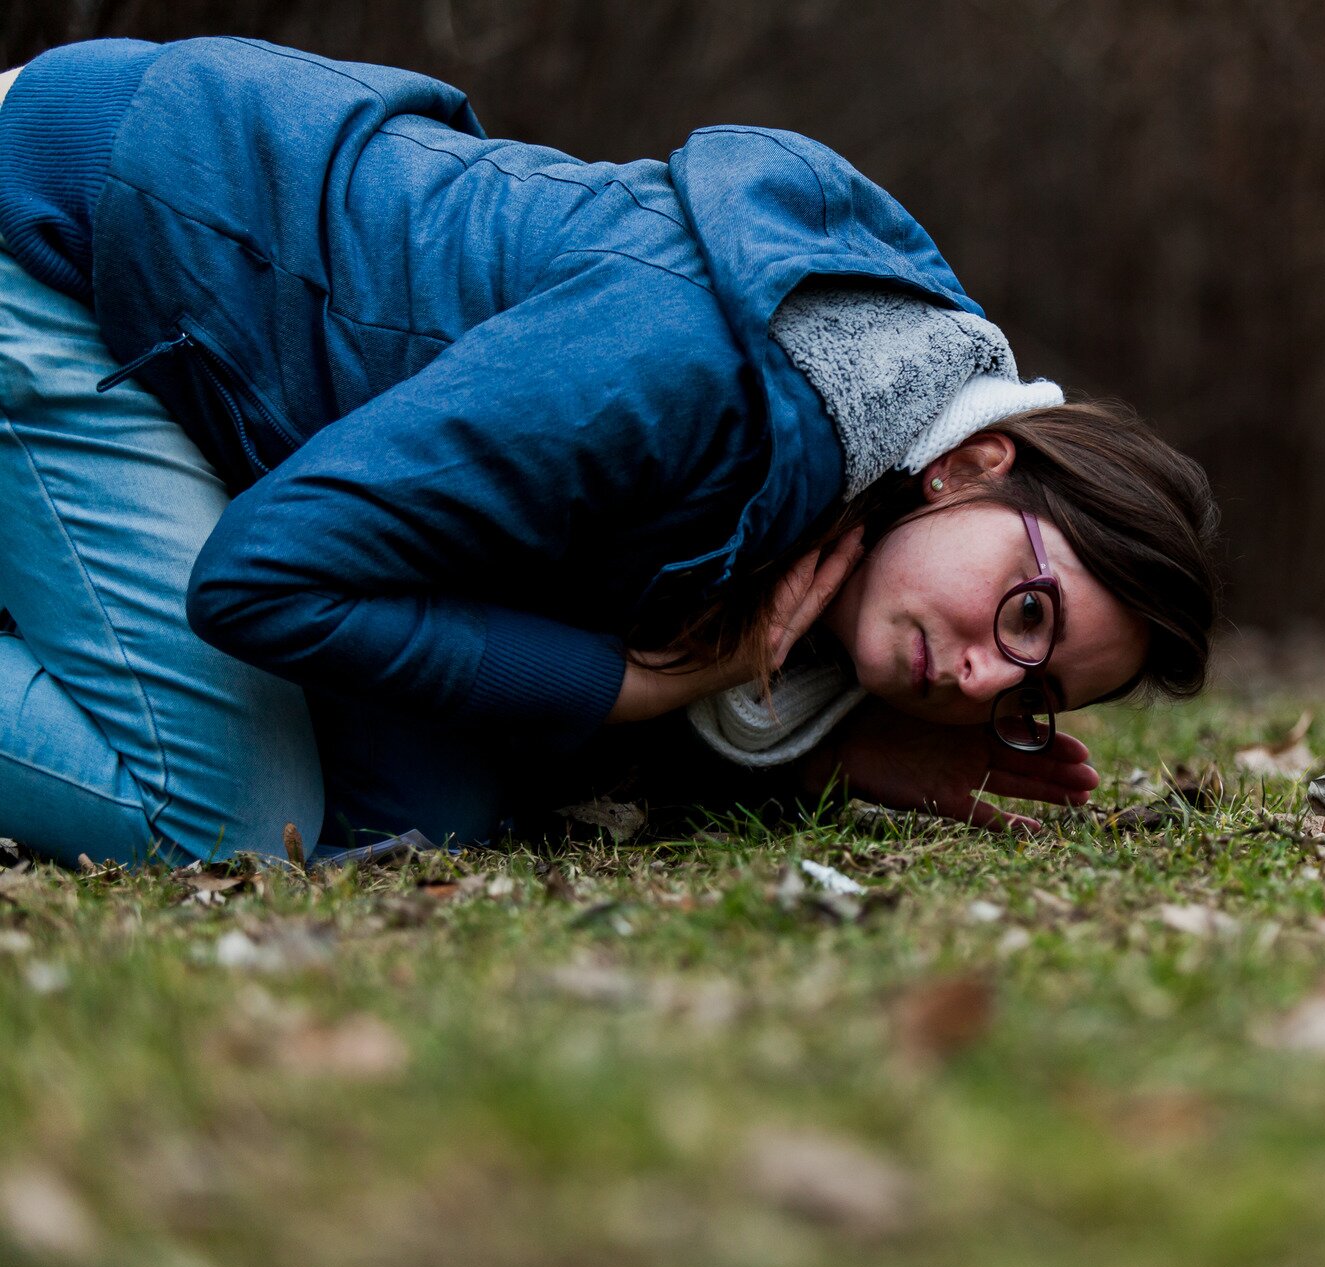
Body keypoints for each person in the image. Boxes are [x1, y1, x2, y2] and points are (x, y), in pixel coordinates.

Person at [0, 36, 1221, 868]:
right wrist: (648, 687)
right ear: (974, 464)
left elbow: (522, 683)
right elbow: (261, 577)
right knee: (221, 814)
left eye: (1034, 697)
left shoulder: (841, 467)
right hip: (65, 232)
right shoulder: (685, 365)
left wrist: (818, 755)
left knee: (421, 811)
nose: (983, 686)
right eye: (1025, 614)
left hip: (196, 321)